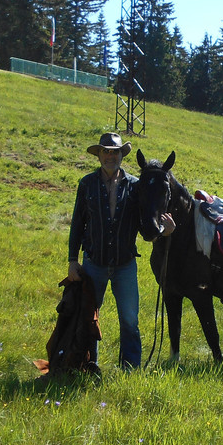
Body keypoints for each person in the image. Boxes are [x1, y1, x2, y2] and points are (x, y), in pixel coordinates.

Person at [68, 132, 175, 370]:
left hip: (125, 264)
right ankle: (89, 365)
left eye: (115, 152)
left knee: (129, 320)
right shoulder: (87, 184)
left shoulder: (135, 186)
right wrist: (73, 260)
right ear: (98, 155)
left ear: (121, 155)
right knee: (89, 317)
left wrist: (163, 231)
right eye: (105, 151)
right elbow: (77, 223)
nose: (110, 156)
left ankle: (130, 368)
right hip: (93, 263)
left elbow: (145, 226)